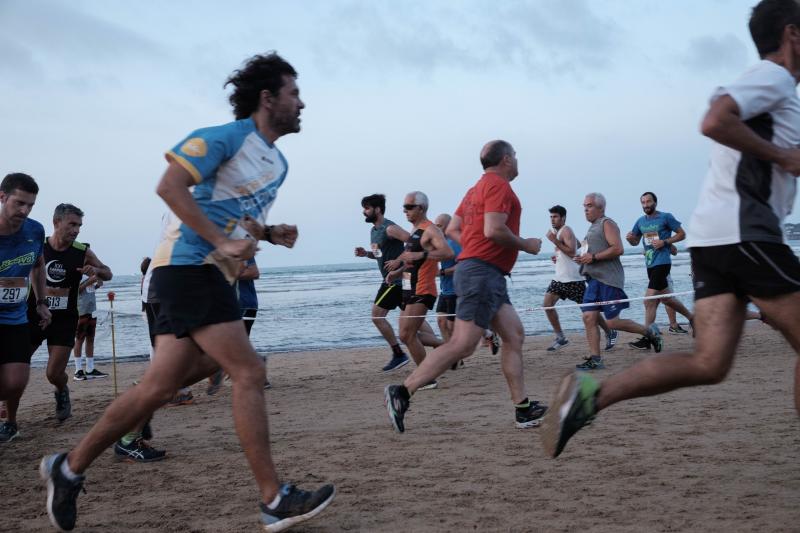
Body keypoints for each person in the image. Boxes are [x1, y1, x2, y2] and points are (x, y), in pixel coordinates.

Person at [40, 52, 334, 532]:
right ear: (267, 98)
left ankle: (68, 468)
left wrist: (268, 231)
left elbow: (235, 212)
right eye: (294, 93)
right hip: (185, 267)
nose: (302, 103)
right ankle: (273, 499)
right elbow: (170, 186)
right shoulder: (222, 138)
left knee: (160, 385)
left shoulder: (277, 163)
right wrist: (221, 242)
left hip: (210, 273)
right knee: (249, 369)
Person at [542, 0, 800, 459]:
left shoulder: (776, 94)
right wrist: (782, 157)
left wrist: (779, 156)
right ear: (792, 35)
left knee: (709, 362)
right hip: (747, 235)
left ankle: (590, 398)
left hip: (715, 241)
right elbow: (714, 120)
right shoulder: (774, 76)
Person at [384, 140, 548, 432]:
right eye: (516, 156)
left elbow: (454, 229)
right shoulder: (498, 186)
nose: (517, 161)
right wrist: (527, 245)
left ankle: (523, 409)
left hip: (487, 273)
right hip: (482, 273)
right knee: (463, 344)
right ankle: (403, 391)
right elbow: (494, 230)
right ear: (507, 159)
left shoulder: (474, 190)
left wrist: (474, 249)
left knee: (514, 335)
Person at [28, 203, 112, 421]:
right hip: (34, 314)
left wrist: (97, 271)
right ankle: (9, 418)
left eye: (79, 225)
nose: (76, 230)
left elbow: (108, 273)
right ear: (56, 222)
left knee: (53, 373)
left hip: (64, 319)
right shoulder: (38, 246)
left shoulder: (81, 251)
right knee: (14, 366)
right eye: (72, 224)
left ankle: (62, 390)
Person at [572, 193, 662, 370]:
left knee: (612, 322)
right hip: (593, 281)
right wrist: (582, 258)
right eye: (584, 206)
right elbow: (590, 254)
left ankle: (649, 332)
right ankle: (596, 359)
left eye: (589, 206)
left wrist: (594, 257)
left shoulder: (607, 223)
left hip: (609, 280)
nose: (585, 209)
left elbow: (618, 248)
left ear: (601, 207)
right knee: (588, 317)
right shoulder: (591, 228)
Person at [0, 173, 51, 443]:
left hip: (15, 315)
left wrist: (41, 302)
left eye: (30, 205)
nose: (24, 210)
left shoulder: (35, 230)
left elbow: (39, 265)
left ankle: (9, 420)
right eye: (19, 203)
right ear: (2, 197)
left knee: (16, 382)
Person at [385, 192, 453, 389]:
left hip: (422, 288)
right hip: (408, 286)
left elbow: (447, 252)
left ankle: (426, 377)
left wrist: (421, 254)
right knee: (406, 335)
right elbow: (412, 261)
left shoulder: (431, 229)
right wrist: (397, 272)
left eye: (409, 206)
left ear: (421, 208)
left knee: (407, 335)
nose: (404, 210)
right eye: (404, 207)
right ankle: (444, 350)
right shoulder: (414, 230)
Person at [543, 205, 618, 352]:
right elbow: (576, 246)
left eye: (555, 216)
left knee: (590, 312)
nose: (552, 219)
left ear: (563, 218)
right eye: (551, 217)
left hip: (574, 281)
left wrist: (555, 242)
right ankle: (561, 337)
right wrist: (558, 256)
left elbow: (571, 252)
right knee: (547, 305)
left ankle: (610, 331)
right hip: (559, 279)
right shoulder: (556, 232)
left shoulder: (566, 230)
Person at [625, 192, 694, 348]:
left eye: (648, 201)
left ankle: (649, 337)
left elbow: (682, 234)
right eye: (643, 202)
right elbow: (635, 242)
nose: (646, 205)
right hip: (650, 264)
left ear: (655, 202)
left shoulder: (665, 217)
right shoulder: (640, 221)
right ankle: (692, 318)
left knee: (648, 300)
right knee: (667, 299)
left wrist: (665, 242)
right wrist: (630, 239)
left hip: (662, 263)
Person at [355, 194, 412, 372]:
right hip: (396, 279)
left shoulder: (390, 228)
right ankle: (445, 349)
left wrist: (399, 263)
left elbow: (413, 242)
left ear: (377, 209)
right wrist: (366, 253)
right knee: (414, 322)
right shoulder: (374, 231)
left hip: (397, 280)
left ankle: (398, 354)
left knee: (377, 316)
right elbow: (379, 255)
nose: (364, 212)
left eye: (367, 208)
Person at [73, 275, 107, 380]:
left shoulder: (89, 274)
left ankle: (90, 369)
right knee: (79, 339)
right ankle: (78, 370)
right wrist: (89, 281)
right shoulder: (77, 273)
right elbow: (75, 291)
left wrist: (97, 285)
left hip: (92, 310)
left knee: (90, 339)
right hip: (81, 310)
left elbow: (89, 290)